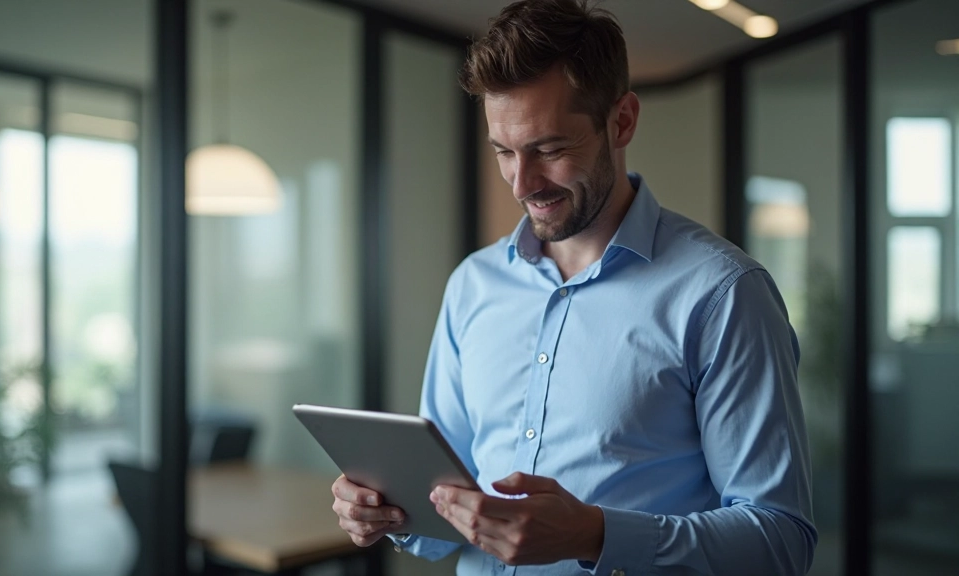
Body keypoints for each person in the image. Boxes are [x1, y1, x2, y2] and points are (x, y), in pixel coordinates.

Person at [331, 0, 817, 574]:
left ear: (623, 121)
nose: (522, 184)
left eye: (550, 149)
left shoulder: (724, 295)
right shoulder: (472, 285)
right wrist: (391, 511)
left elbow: (780, 539)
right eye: (504, 153)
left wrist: (596, 535)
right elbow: (446, 506)